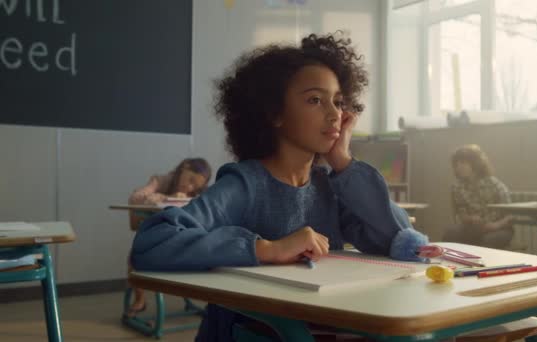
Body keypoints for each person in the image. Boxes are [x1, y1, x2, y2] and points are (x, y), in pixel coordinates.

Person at [131, 32, 431, 341]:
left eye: (338, 102)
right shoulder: (245, 184)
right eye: (315, 100)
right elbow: (152, 243)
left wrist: (342, 160)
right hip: (256, 333)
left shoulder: (329, 187)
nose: (334, 114)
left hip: (324, 326)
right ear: (274, 113)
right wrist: (267, 249)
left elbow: (403, 245)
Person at [126, 158, 212, 317]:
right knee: (134, 256)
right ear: (185, 167)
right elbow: (137, 197)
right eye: (190, 179)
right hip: (156, 236)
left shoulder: (196, 193)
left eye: (195, 186)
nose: (190, 186)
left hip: (181, 239)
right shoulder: (161, 181)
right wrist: (166, 197)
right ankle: (140, 299)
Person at [443, 144, 513, 249]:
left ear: (475, 164)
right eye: (456, 165)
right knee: (450, 234)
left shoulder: (494, 184)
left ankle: (486, 264)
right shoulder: (457, 187)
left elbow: (510, 215)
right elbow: (461, 214)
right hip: (474, 228)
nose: (459, 167)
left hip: (500, 228)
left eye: (463, 163)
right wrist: (470, 219)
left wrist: (494, 226)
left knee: (488, 240)